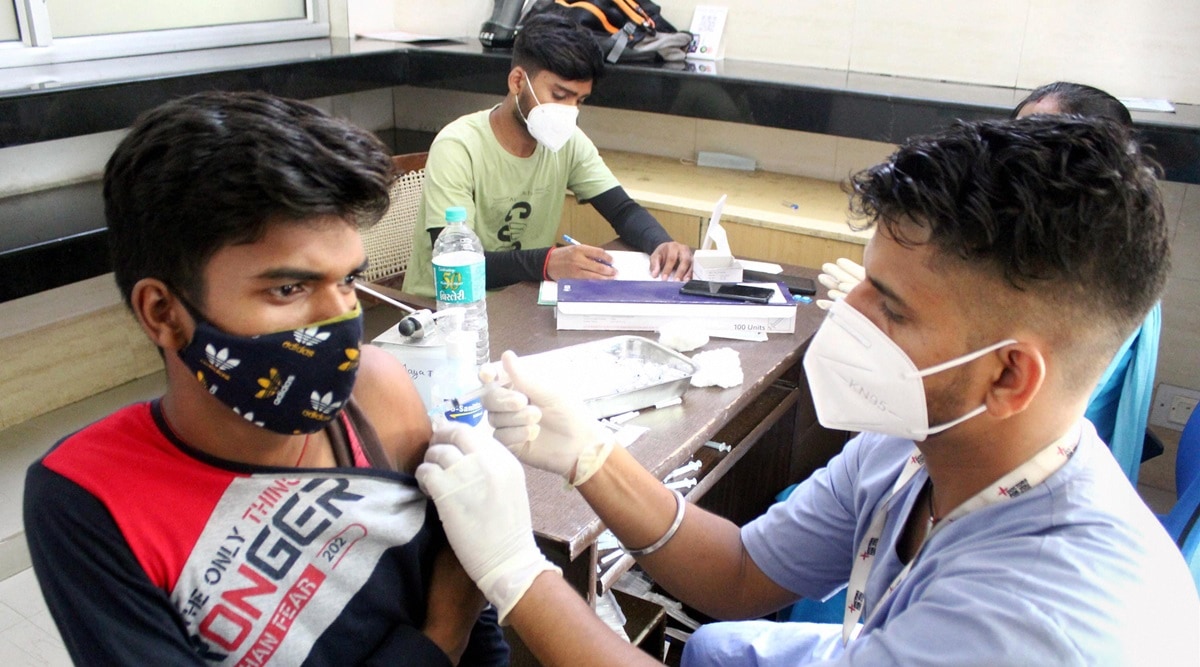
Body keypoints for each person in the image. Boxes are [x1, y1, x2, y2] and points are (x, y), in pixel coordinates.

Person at [417, 116, 1200, 665]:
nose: (844, 316)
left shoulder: (1037, 624)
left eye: (887, 305)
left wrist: (516, 573)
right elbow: (741, 573)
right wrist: (592, 453)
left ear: (1007, 374)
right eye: (865, 282)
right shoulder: (920, 444)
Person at [24, 91, 507, 666]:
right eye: (288, 289)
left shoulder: (377, 394)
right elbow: (455, 608)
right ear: (162, 312)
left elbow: (480, 634)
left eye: (348, 281)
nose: (339, 320)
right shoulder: (89, 497)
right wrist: (442, 633)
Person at [819, 80, 1162, 483]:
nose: (1010, 160)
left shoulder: (1084, 307)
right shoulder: (901, 442)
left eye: (1038, 146)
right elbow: (754, 548)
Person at [401, 10, 692, 298]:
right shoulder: (458, 147)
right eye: (559, 95)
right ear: (517, 82)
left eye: (580, 101)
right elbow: (459, 263)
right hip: (447, 311)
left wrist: (661, 243)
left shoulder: (568, 142)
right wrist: (548, 262)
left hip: (521, 302)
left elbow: (622, 210)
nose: (569, 112)